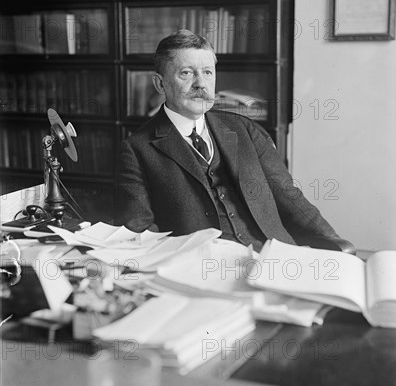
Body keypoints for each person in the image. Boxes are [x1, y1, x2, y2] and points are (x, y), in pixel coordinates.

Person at [115, 30, 340, 252]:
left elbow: (290, 198)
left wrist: (336, 244)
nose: (200, 83)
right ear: (160, 84)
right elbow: (141, 230)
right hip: (200, 271)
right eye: (186, 73)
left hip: (274, 259)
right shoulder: (137, 149)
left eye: (207, 72)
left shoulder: (246, 130)